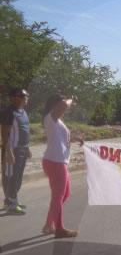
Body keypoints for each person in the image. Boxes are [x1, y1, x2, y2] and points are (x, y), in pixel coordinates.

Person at [41, 94, 78, 238]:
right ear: (55, 104)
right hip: (55, 162)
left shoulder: (57, 121)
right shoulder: (50, 117)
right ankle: (58, 228)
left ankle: (49, 224)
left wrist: (75, 138)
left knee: (64, 194)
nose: (65, 105)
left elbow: (60, 138)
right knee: (58, 196)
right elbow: (63, 106)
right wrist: (71, 99)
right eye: (61, 101)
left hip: (60, 161)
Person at [1, 89, 32, 214]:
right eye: (24, 96)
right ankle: (11, 203)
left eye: (26, 95)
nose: (26, 98)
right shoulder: (9, 112)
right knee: (11, 177)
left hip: (22, 149)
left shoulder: (23, 111)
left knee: (18, 177)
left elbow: (25, 131)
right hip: (12, 149)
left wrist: (27, 148)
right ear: (15, 98)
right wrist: (8, 152)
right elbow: (4, 133)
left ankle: (12, 200)